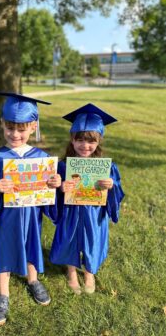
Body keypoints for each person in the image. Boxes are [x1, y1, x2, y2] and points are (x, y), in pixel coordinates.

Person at [0, 93, 61, 326]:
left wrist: (56, 183)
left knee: (32, 245)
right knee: (4, 249)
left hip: (32, 216)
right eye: (10, 128)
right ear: (2, 124)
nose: (15, 134)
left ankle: (33, 280)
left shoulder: (42, 158)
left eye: (22, 129)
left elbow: (51, 186)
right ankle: (3, 294)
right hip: (7, 216)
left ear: (33, 127)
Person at [49, 103, 124, 295]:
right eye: (80, 140)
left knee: (93, 240)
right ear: (72, 140)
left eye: (91, 141)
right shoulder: (63, 167)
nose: (85, 145)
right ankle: (72, 271)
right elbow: (52, 191)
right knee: (69, 239)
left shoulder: (107, 167)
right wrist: (60, 188)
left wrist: (111, 185)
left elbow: (117, 190)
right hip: (71, 212)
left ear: (99, 141)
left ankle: (89, 272)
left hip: (94, 213)